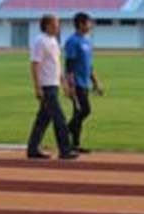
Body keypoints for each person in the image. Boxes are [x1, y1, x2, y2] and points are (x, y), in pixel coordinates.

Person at [26, 14, 77, 160]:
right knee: (59, 118)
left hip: (53, 84)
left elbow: (56, 64)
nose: (58, 27)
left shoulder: (53, 40)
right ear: (47, 25)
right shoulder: (40, 41)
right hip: (46, 86)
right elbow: (35, 64)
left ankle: (32, 149)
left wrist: (64, 83)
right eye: (55, 25)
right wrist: (37, 87)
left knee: (43, 119)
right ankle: (65, 150)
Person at [63, 11, 105, 153]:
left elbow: (89, 65)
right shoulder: (72, 41)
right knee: (85, 110)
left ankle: (75, 144)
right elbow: (69, 65)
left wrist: (95, 82)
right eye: (89, 22)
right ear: (81, 24)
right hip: (77, 84)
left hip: (85, 83)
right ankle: (65, 131)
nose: (91, 25)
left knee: (78, 114)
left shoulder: (87, 41)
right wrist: (70, 85)